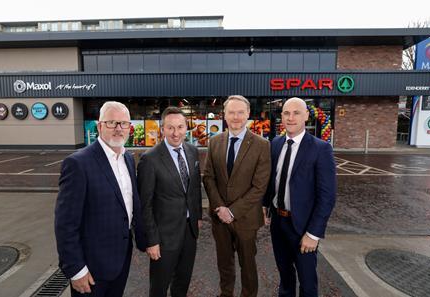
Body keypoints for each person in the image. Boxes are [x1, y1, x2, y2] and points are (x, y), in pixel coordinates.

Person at [55, 101, 146, 297]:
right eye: (111, 123)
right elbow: (65, 224)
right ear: (99, 126)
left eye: (123, 123)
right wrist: (76, 269)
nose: (118, 129)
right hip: (91, 268)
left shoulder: (128, 158)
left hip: (121, 259)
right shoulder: (78, 163)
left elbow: (130, 204)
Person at [263, 97, 336, 297]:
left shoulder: (320, 149)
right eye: (286, 113)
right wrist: (265, 206)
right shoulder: (275, 144)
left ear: (306, 115)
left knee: (307, 282)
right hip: (278, 222)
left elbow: (327, 196)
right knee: (285, 276)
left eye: (296, 113)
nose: (291, 117)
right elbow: (273, 180)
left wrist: (313, 234)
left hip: (303, 227)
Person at [203, 95, 271, 297]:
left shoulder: (261, 145)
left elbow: (259, 187)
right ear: (224, 115)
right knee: (224, 263)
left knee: (248, 265)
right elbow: (208, 177)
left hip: (246, 219)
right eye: (231, 112)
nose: (236, 117)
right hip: (219, 217)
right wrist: (220, 208)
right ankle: (226, 293)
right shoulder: (214, 142)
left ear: (248, 114)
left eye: (240, 112)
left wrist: (232, 211)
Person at [136, 106, 202, 297]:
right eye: (170, 128)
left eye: (180, 127)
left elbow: (195, 188)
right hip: (164, 237)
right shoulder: (150, 159)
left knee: (182, 283)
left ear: (186, 127)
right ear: (162, 129)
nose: (176, 133)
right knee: (159, 288)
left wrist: (196, 216)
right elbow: (145, 204)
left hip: (189, 232)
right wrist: (152, 240)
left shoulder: (192, 151)